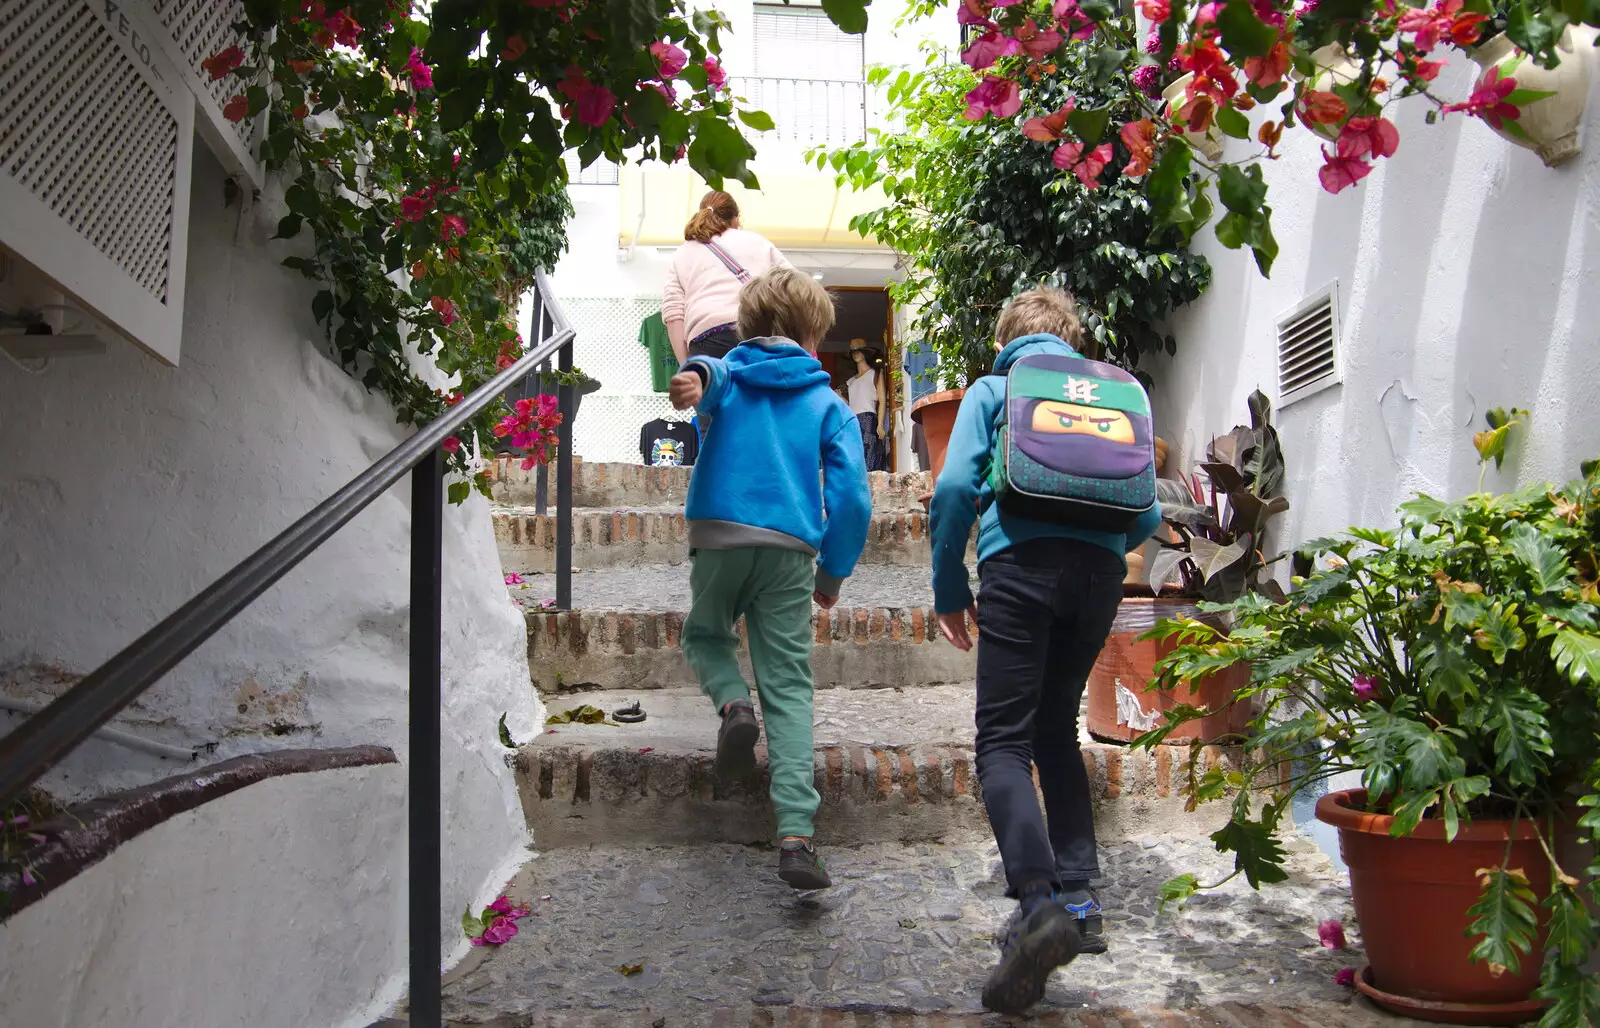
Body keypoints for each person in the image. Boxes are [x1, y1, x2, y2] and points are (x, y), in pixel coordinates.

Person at [926, 288, 1162, 1015]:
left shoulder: (996, 390)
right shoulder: (1114, 397)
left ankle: (1037, 904)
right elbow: (1146, 510)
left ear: (1006, 337)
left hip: (1018, 567)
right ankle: (1082, 899)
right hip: (1097, 579)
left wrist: (947, 586)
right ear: (1070, 337)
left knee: (1001, 741)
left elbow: (957, 486)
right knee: (1056, 727)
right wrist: (1095, 553)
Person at [667, 267, 871, 889]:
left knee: (705, 636)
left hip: (720, 536)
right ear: (814, 339)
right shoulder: (827, 403)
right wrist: (833, 572)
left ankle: (731, 704)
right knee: (788, 686)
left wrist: (693, 378)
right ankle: (796, 839)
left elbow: (714, 373)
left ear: (743, 329)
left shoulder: (730, 376)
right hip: (789, 552)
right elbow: (855, 500)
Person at [662, 191, 793, 362]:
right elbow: (795, 285)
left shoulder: (682, 253)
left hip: (707, 339)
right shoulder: (757, 242)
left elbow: (673, 313)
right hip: (758, 333)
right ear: (736, 219)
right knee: (761, 388)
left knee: (715, 389)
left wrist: (686, 365)